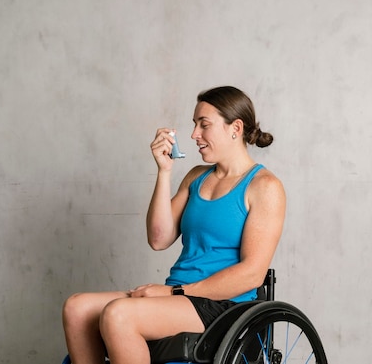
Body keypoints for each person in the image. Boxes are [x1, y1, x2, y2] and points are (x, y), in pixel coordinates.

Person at [62, 86, 286, 364]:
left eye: (204, 125)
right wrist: (164, 172)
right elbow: (158, 238)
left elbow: (251, 275)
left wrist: (173, 292)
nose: (194, 134)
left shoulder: (264, 187)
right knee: (77, 308)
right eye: (194, 125)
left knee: (119, 314)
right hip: (179, 294)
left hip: (224, 305)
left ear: (235, 128)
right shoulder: (196, 178)